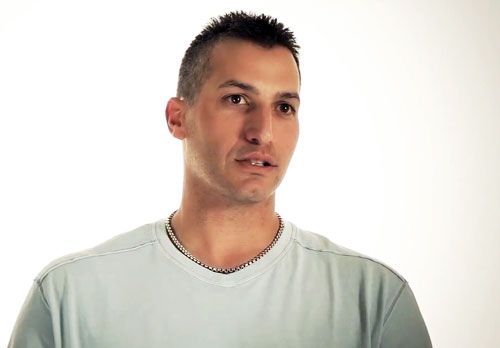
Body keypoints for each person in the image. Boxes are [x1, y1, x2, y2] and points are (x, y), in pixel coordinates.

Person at [8, 11, 432, 347]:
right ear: (178, 117)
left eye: (284, 107)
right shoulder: (70, 297)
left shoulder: (373, 300)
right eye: (237, 99)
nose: (262, 132)